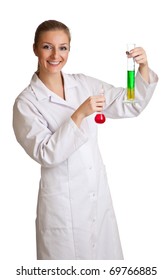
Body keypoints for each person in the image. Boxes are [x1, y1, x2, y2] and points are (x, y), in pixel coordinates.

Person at [13, 20, 158, 260]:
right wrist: (79, 114)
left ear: (69, 50)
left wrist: (142, 68)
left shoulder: (84, 84)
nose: (55, 55)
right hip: (61, 210)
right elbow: (46, 154)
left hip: (96, 199)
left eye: (63, 48)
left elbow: (130, 104)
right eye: (47, 47)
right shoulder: (26, 103)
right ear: (35, 49)